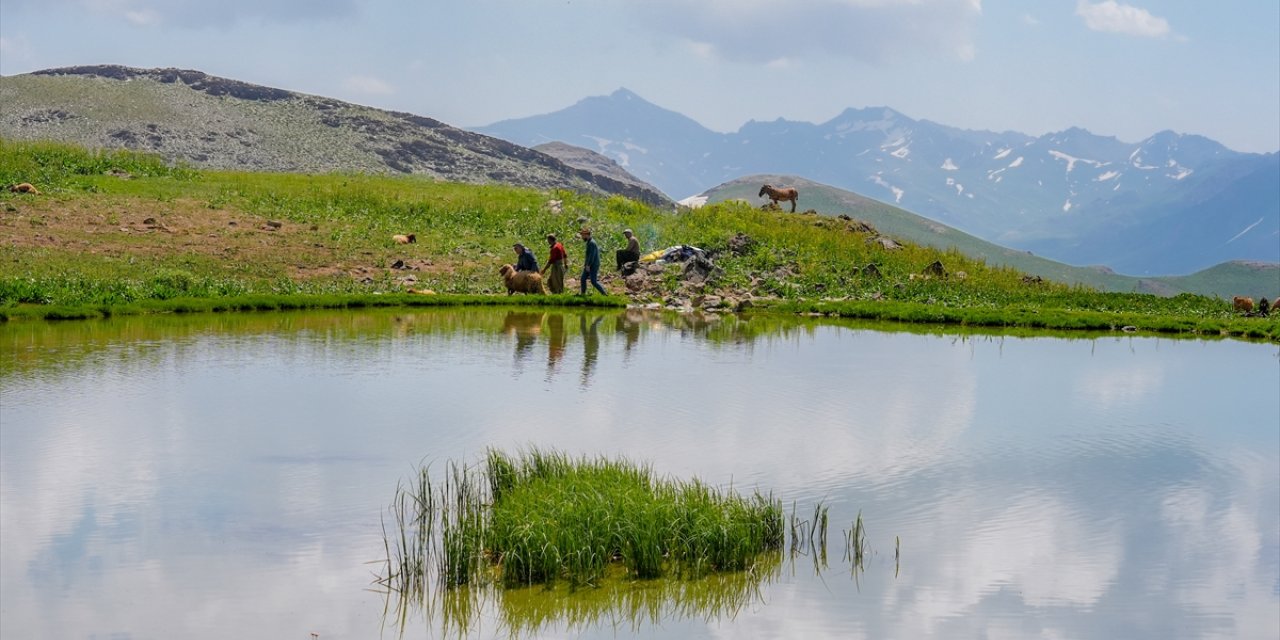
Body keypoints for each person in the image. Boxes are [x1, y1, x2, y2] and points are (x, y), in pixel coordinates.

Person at [578, 228, 607, 295]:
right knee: (583, 279)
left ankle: (604, 294)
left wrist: (588, 265)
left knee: (593, 281)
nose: (582, 237)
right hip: (589, 265)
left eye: (582, 235)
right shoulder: (589, 242)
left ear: (587, 235)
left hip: (593, 265)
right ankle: (583, 294)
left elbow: (592, 256)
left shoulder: (592, 243)